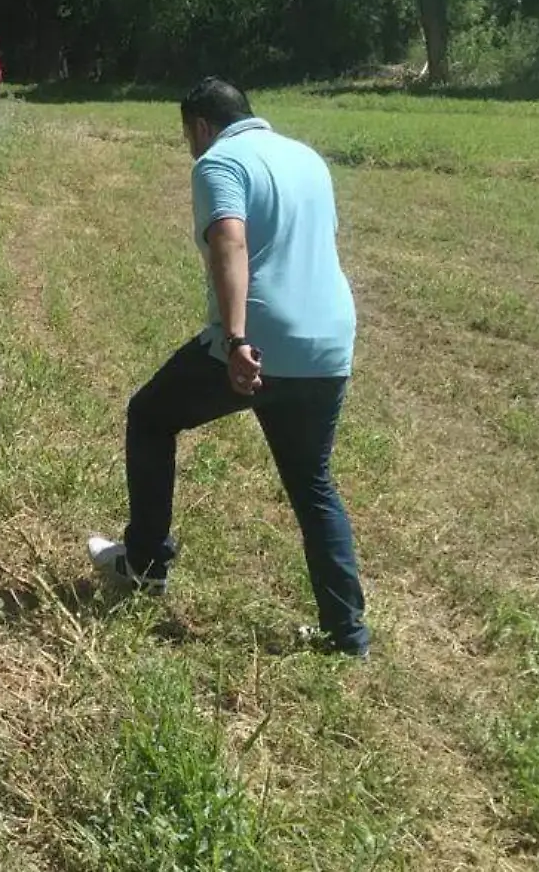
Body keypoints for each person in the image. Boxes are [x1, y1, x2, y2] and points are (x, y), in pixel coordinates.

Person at [87, 78, 368, 658]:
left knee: (150, 416)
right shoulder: (306, 158)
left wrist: (237, 338)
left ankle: (143, 564)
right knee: (312, 485)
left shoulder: (219, 161)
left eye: (188, 136)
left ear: (200, 126)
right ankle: (348, 637)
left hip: (259, 343)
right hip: (329, 342)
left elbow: (230, 243)